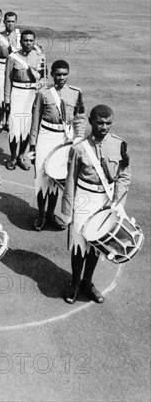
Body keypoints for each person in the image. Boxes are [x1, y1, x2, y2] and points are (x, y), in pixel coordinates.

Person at [61, 105, 130, 304]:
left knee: (97, 243)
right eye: (100, 123)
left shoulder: (119, 145)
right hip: (84, 196)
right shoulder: (79, 148)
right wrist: (67, 210)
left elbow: (124, 175)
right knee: (79, 242)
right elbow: (71, 180)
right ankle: (74, 282)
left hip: (105, 199)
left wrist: (118, 202)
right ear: (91, 122)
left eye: (108, 123)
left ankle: (87, 282)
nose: (104, 127)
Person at [29, 60, 86, 231]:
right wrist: (33, 144)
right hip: (46, 137)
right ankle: (40, 214)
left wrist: (79, 138)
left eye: (64, 74)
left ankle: (50, 214)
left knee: (56, 177)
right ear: (52, 74)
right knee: (41, 176)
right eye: (58, 74)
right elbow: (36, 118)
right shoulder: (43, 93)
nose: (61, 77)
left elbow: (80, 117)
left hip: (64, 138)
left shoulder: (76, 93)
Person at [3, 29, 46, 170]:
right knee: (15, 127)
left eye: (31, 40)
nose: (28, 43)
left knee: (27, 127)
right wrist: (7, 100)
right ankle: (13, 157)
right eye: (25, 40)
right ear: (21, 42)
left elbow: (44, 79)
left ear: (34, 42)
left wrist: (41, 99)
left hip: (32, 95)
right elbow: (8, 80)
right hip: (17, 93)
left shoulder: (40, 57)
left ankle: (22, 156)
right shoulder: (13, 58)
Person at [0, 11, 20, 132]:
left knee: (12, 96)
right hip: (1, 67)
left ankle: (9, 121)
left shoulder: (19, 37)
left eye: (13, 21)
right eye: (8, 21)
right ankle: (1, 121)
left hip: (15, 69)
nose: (10, 24)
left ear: (16, 22)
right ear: (4, 22)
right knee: (0, 96)